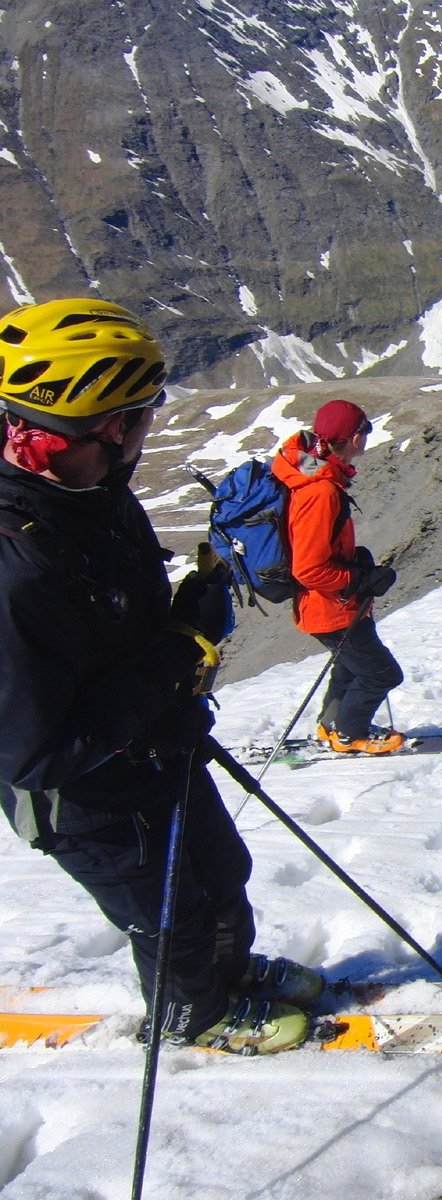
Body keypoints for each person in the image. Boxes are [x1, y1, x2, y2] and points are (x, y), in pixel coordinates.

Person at [0, 298, 319, 1054]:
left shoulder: (85, 494)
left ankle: (229, 974)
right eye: (139, 416)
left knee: (221, 872)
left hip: (151, 745)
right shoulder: (13, 569)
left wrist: (184, 615)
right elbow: (35, 754)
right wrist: (179, 650)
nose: (148, 431)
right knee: (168, 914)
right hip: (89, 801)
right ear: (91, 430)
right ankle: (193, 1016)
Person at [272, 399, 405, 754]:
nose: (367, 437)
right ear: (352, 438)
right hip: (332, 608)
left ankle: (331, 726)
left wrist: (355, 563)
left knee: (349, 667)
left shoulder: (316, 474)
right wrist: (359, 581)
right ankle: (350, 734)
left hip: (328, 607)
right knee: (382, 674)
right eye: (365, 430)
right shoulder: (320, 491)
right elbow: (309, 568)